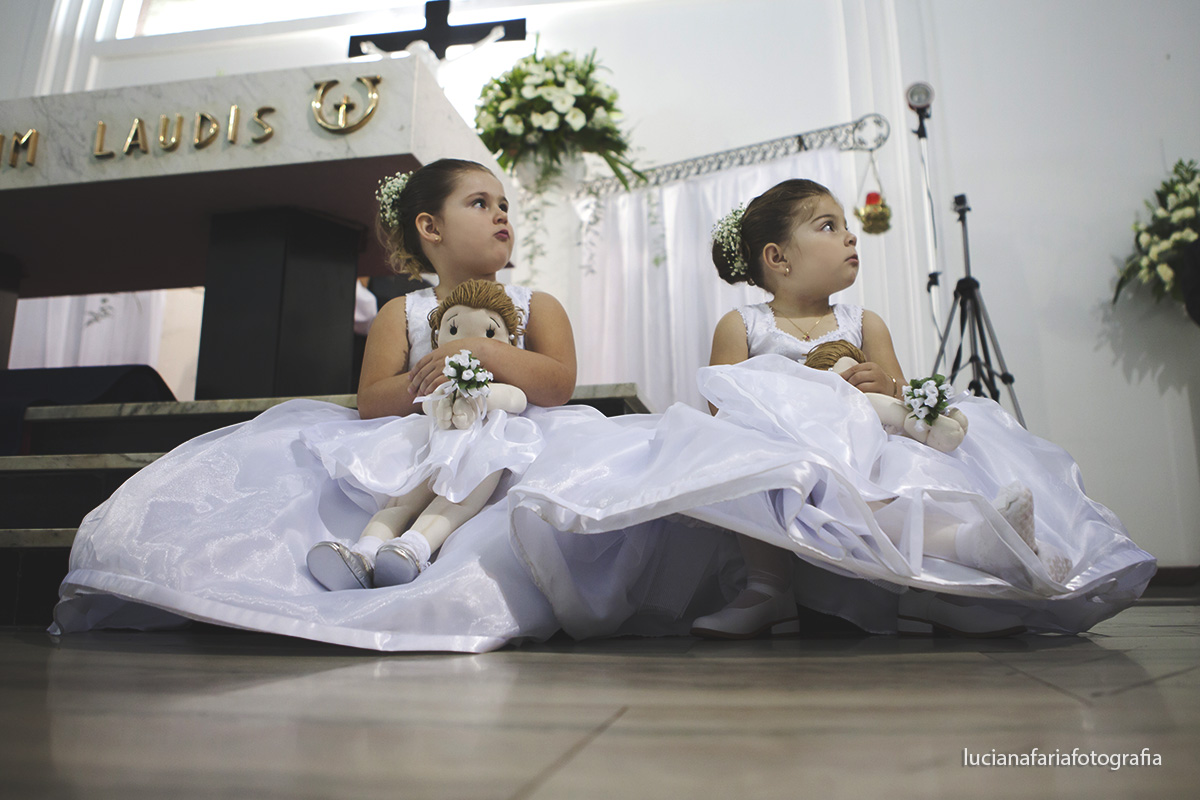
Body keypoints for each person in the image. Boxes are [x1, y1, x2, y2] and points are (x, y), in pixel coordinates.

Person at [507, 179, 1155, 640]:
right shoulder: (744, 322)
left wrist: (879, 379)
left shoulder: (860, 318)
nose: (849, 236)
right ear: (777, 258)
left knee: (917, 455)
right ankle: (771, 586)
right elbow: (722, 401)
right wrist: (800, 396)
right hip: (786, 451)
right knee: (762, 461)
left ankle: (974, 552)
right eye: (828, 225)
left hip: (866, 442)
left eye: (847, 226)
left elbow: (896, 393)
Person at [52, 159, 599, 652]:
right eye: (480, 203)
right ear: (430, 227)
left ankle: (429, 560)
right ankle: (364, 557)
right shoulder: (403, 312)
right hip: (421, 438)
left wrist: (478, 349)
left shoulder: (537, 305)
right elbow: (372, 401)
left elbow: (557, 384)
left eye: (503, 204)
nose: (500, 214)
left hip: (510, 441)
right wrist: (430, 381)